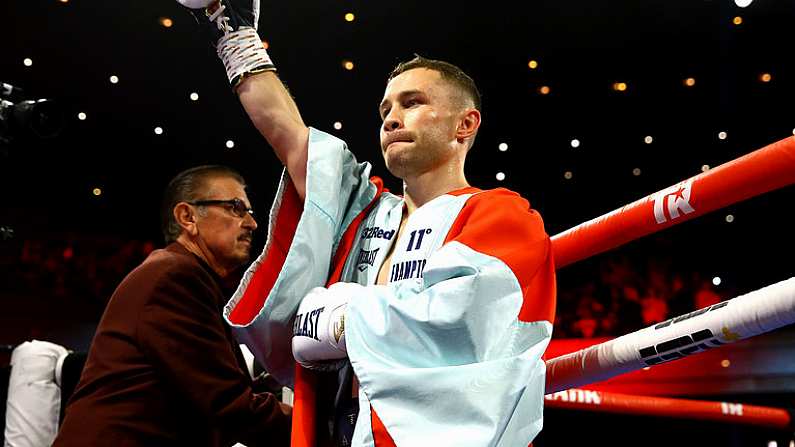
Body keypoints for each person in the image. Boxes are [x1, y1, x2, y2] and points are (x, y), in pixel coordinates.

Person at [178, 1, 556, 445]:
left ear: (465, 124)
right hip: (344, 427)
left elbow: (459, 319)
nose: (392, 118)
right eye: (385, 111)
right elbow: (291, 137)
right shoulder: (366, 210)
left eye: (412, 103)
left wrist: (342, 320)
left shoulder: (502, 214)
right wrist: (236, 39)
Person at [53, 165, 291, 447]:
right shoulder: (175, 278)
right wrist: (318, 425)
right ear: (187, 217)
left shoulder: (181, 275)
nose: (252, 223)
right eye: (236, 208)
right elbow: (228, 405)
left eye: (250, 212)